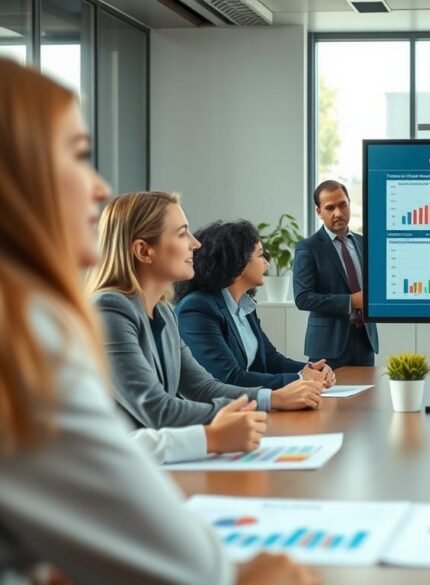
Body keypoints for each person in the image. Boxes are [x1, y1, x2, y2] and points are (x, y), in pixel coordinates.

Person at [0, 58, 317, 584]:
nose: (99, 188)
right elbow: (193, 568)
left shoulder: (162, 310)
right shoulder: (42, 334)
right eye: (77, 157)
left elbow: (199, 385)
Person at [87, 192, 324, 431]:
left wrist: (273, 399)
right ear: (143, 251)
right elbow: (157, 410)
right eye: (182, 234)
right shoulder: (109, 310)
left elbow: (203, 388)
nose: (195, 243)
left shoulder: (163, 312)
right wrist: (242, 414)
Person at [175, 220, 336, 389]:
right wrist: (301, 379)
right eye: (260, 255)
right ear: (238, 263)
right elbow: (229, 378)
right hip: (219, 411)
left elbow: (270, 358)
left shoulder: (245, 305)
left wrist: (311, 369)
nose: (266, 263)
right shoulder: (197, 308)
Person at [294, 180, 379, 368]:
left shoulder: (364, 243)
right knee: (328, 398)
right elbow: (303, 298)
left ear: (349, 203)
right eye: (330, 208)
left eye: (343, 205)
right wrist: (350, 301)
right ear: (318, 212)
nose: (338, 213)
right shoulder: (308, 248)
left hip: (365, 340)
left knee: (367, 397)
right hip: (327, 346)